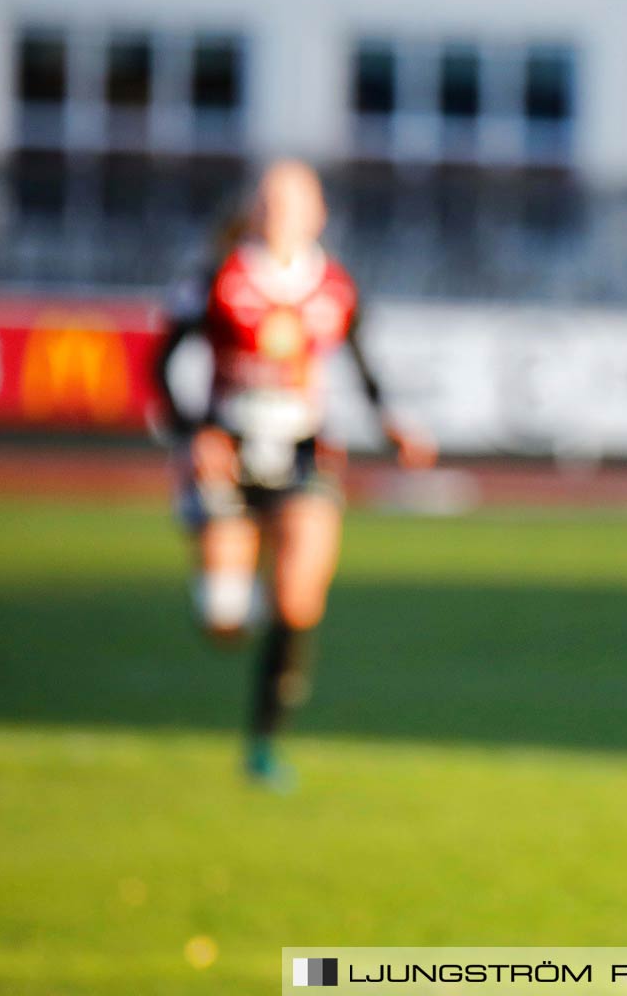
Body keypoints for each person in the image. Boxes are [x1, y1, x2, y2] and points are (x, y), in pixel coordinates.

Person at [152, 160, 434, 787]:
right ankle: (221, 556)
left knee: (299, 596)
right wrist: (192, 431)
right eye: (271, 202)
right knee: (225, 620)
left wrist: (392, 423)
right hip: (229, 447)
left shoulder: (333, 285)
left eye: (294, 204)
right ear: (254, 210)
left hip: (303, 451)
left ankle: (262, 746)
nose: (281, 215)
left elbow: (361, 360)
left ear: (318, 216)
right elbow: (163, 363)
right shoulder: (217, 278)